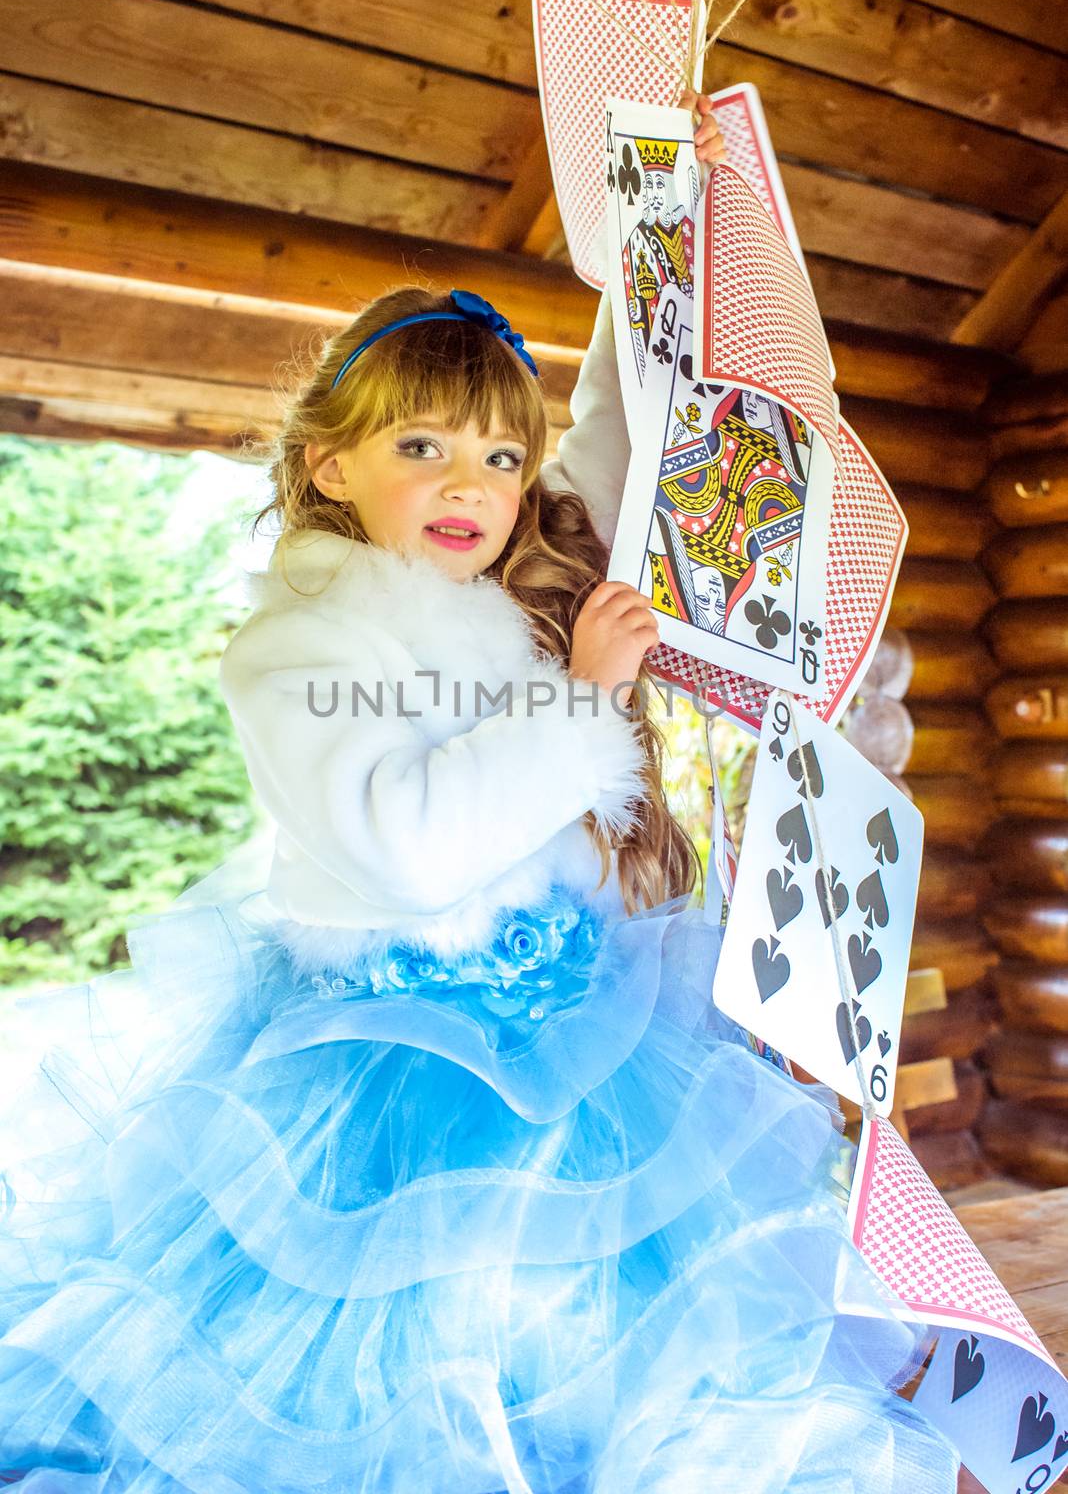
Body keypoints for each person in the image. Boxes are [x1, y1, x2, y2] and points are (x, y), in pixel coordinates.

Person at [0, 97, 961, 1493]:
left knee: (625, 1352)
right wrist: (577, 701)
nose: (475, 484)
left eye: (500, 459)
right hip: (393, 1070)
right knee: (413, 1386)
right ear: (329, 463)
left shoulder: (511, 583)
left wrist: (663, 229)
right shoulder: (298, 648)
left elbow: (629, 423)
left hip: (586, 1027)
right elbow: (409, 847)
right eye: (423, 449)